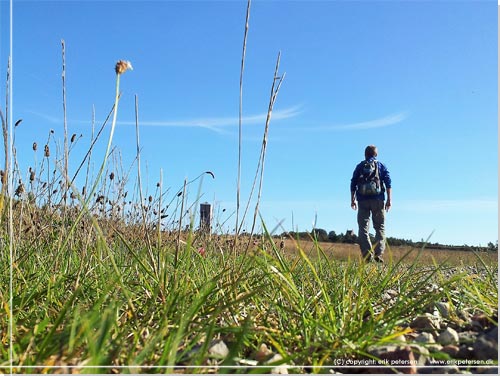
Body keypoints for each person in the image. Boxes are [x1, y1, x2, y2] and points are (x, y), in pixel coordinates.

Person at [350, 145, 392, 262]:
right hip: (378, 200)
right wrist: (389, 200)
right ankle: (378, 254)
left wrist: (352, 199)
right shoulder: (381, 166)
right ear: (376, 154)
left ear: (365, 154)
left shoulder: (359, 166)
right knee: (380, 227)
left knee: (363, 228)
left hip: (362, 200)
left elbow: (353, 183)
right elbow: (388, 183)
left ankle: (367, 255)